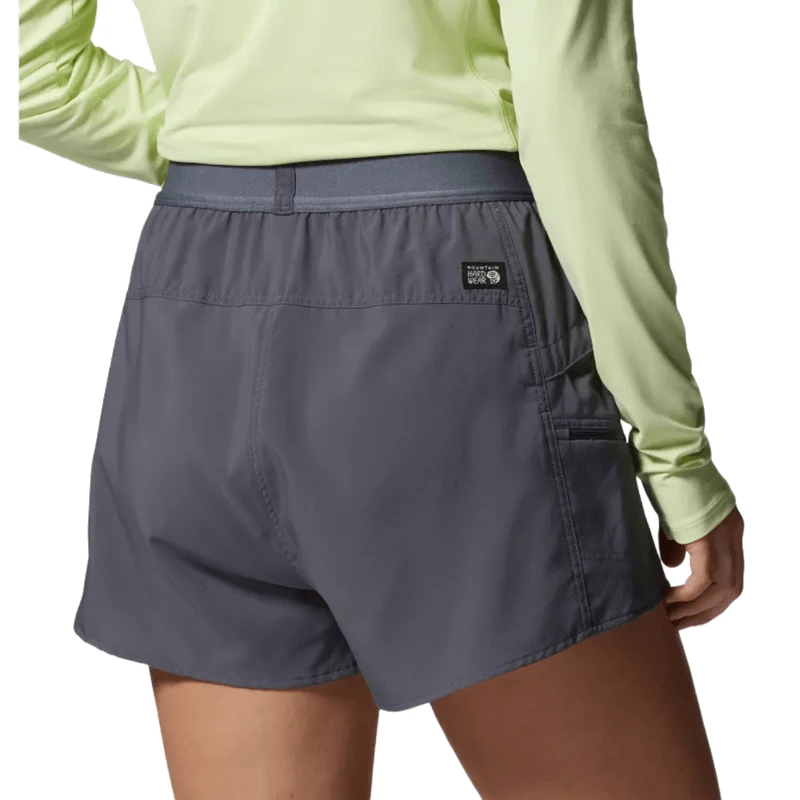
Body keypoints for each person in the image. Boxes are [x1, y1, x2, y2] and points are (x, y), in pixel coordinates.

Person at [18, 1, 745, 798]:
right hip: (447, 291)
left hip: (193, 308)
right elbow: (579, 115)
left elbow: (28, 62)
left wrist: (223, 125)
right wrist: (675, 451)